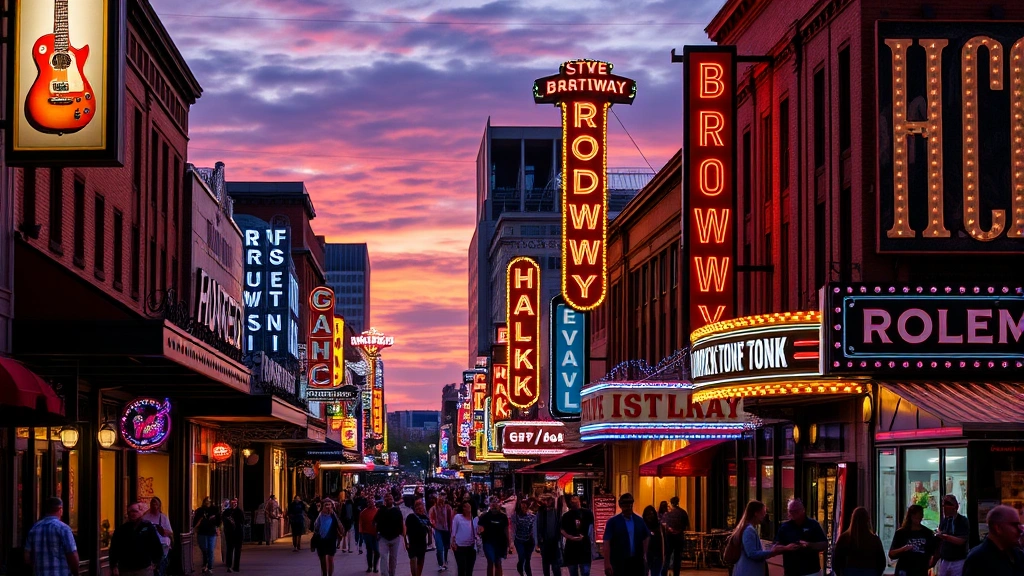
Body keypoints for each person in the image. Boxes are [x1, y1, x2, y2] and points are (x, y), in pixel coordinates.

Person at [731, 500, 796, 576]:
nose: (765, 515)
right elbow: (752, 553)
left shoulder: (748, 528)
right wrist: (772, 551)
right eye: (763, 512)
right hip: (749, 571)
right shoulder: (749, 530)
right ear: (756, 513)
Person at [24, 497, 80, 576]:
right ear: (60, 509)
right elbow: (72, 554)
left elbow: (27, 557)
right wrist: (76, 573)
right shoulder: (63, 528)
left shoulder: (34, 529)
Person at [963, 504, 1024, 576]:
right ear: (998, 528)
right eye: (1014, 525)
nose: (1020, 530)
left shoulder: (1017, 554)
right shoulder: (978, 560)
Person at [775, 498, 829, 576]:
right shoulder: (784, 527)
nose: (792, 513)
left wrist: (808, 544)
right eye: (790, 511)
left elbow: (824, 544)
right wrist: (786, 548)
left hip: (811, 572)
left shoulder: (813, 524)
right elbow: (775, 547)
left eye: (795, 511)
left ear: (803, 510)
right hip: (791, 572)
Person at [109, 503, 164, 576]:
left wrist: (156, 562)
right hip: (126, 569)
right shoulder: (121, 529)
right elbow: (114, 548)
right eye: (130, 512)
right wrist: (114, 566)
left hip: (144, 568)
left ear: (141, 512)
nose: (132, 514)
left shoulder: (148, 527)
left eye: (135, 511)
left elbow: (156, 545)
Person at [601, 493, 649, 576]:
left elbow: (646, 536)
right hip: (619, 562)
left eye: (630, 505)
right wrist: (607, 563)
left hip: (636, 562)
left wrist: (644, 554)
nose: (628, 508)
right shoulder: (613, 522)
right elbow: (607, 542)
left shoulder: (639, 521)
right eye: (626, 505)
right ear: (621, 506)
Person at [833, 507, 887, 576]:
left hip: (849, 572)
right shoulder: (875, 540)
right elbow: (882, 562)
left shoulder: (844, 538)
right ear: (868, 520)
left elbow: (836, 561)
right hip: (870, 572)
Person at [889, 504, 939, 576]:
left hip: (920, 569)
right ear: (911, 517)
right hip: (904, 568)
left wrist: (931, 563)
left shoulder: (927, 533)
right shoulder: (901, 533)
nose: (918, 518)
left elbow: (934, 551)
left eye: (920, 516)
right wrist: (903, 549)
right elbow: (891, 554)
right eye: (916, 516)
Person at [934, 495, 970, 576]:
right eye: (943, 505)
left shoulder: (962, 521)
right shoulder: (944, 521)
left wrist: (945, 536)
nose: (944, 508)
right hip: (945, 559)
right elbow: (939, 542)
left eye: (947, 505)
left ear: (955, 506)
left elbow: (961, 541)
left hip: (958, 560)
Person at [479, 496, 512, 576]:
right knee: (490, 562)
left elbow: (506, 530)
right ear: (490, 505)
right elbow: (480, 529)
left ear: (499, 505)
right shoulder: (485, 516)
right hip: (488, 542)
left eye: (496, 503)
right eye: (492, 504)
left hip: (500, 543)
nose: (494, 505)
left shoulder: (503, 517)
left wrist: (509, 543)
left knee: (498, 563)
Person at [562, 495, 594, 576]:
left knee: (585, 572)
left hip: (584, 546)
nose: (573, 500)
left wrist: (587, 537)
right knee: (573, 572)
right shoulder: (566, 515)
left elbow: (592, 527)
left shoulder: (587, 513)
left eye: (575, 498)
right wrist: (570, 537)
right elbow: (562, 529)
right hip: (571, 548)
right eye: (571, 499)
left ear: (579, 500)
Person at [376, 493, 406, 576]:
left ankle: (392, 574)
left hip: (395, 537)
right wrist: (378, 532)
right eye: (387, 499)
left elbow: (401, 522)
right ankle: (384, 574)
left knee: (393, 559)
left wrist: (403, 535)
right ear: (385, 501)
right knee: (383, 557)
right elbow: (375, 522)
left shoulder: (397, 510)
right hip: (383, 538)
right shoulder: (381, 510)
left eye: (390, 498)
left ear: (392, 500)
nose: (389, 500)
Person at [312, 499, 344, 576]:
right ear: (323, 506)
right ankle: (324, 574)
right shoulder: (320, 516)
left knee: (330, 559)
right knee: (322, 560)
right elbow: (316, 527)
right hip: (321, 540)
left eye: (329, 505)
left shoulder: (334, 516)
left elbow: (340, 526)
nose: (327, 507)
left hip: (331, 539)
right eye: (326, 505)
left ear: (332, 506)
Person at [142, 497, 173, 576]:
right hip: (148, 547)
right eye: (152, 503)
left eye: (155, 503)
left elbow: (170, 532)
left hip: (162, 546)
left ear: (159, 506)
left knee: (160, 569)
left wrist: (163, 531)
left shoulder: (163, 517)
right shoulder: (145, 517)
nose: (153, 505)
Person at [191, 497, 221, 574]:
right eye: (206, 502)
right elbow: (195, 522)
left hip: (211, 532)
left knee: (210, 550)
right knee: (204, 549)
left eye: (209, 502)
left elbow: (218, 521)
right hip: (202, 532)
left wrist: (217, 528)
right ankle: (205, 564)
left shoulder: (214, 510)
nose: (207, 503)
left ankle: (209, 567)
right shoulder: (200, 511)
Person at [536, 494, 563, 576]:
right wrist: (539, 541)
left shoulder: (556, 512)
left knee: (556, 564)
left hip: (554, 541)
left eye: (549, 500)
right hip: (545, 541)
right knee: (546, 564)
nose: (547, 502)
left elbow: (559, 525)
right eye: (545, 500)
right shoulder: (541, 513)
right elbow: (538, 527)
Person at [663, 496, 690, 576]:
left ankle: (664, 572)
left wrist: (671, 529)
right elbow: (686, 525)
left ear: (671, 503)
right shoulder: (683, 512)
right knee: (677, 557)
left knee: (667, 556)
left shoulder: (668, 514)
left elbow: (666, 526)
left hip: (670, 537)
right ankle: (676, 573)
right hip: (679, 537)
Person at [451, 501, 479, 576]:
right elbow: (453, 531)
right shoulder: (458, 517)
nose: (466, 508)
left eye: (468, 506)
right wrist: (453, 542)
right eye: (464, 506)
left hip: (471, 547)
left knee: (469, 570)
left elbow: (477, 532)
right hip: (459, 547)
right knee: (461, 569)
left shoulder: (475, 519)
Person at [406, 499, 433, 576]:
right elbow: (406, 530)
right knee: (413, 559)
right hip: (412, 542)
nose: (419, 507)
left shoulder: (425, 518)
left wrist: (430, 541)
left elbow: (429, 528)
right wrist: (406, 542)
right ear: (414, 508)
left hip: (422, 542)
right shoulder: (410, 517)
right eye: (417, 506)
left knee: (420, 561)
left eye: (420, 505)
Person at [511, 498, 537, 576]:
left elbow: (534, 528)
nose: (524, 507)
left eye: (525, 505)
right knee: (521, 557)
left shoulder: (532, 516)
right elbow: (513, 528)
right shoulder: (516, 516)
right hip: (519, 540)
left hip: (529, 541)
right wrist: (511, 542)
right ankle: (520, 569)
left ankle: (529, 574)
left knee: (528, 559)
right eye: (522, 505)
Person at [430, 491, 454, 571]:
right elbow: (431, 518)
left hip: (446, 530)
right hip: (438, 530)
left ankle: (445, 560)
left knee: (446, 547)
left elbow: (450, 519)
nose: (441, 501)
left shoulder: (448, 508)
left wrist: (451, 530)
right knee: (440, 548)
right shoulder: (433, 509)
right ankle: (441, 563)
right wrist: (434, 524)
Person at [221, 498, 244, 572]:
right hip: (229, 534)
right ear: (230, 503)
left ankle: (236, 567)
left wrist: (235, 522)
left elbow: (242, 521)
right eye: (233, 502)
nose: (234, 504)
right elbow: (223, 520)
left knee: (237, 551)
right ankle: (229, 566)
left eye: (235, 502)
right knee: (229, 550)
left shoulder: (239, 512)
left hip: (238, 533)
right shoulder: (227, 512)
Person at [641, 506, 664, 576]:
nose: (650, 516)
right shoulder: (642, 527)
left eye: (651, 514)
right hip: (644, 556)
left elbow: (665, 543)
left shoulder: (660, 527)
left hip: (657, 556)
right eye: (647, 514)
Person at [360, 498, 381, 573]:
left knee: (377, 551)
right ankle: (370, 566)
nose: (371, 503)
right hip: (367, 534)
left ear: (374, 503)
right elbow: (361, 523)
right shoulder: (363, 512)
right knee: (369, 550)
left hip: (375, 534)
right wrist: (361, 533)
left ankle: (375, 566)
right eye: (369, 502)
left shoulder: (378, 511)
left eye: (372, 502)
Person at [354, 489, 369, 555]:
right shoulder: (357, 500)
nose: (362, 494)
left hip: (361, 519)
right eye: (361, 493)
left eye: (363, 493)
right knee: (358, 533)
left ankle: (359, 546)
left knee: (360, 534)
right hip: (357, 519)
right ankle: (357, 544)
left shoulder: (365, 501)